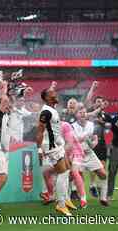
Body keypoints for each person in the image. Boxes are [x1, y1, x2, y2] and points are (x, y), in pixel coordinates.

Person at [36, 88, 73, 216]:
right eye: (52, 93)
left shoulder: (52, 109)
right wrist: (39, 149)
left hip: (58, 145)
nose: (55, 94)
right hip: (51, 146)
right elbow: (39, 131)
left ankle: (66, 199)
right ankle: (60, 204)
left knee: (67, 169)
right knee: (62, 172)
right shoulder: (46, 111)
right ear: (46, 97)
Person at [72, 106, 109, 207]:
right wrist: (86, 135)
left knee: (103, 174)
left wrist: (94, 143)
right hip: (77, 154)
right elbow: (77, 140)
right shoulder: (72, 126)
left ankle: (103, 198)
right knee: (76, 177)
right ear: (76, 115)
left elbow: (94, 139)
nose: (83, 114)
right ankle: (77, 199)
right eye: (80, 112)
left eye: (84, 112)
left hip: (89, 153)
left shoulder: (91, 125)